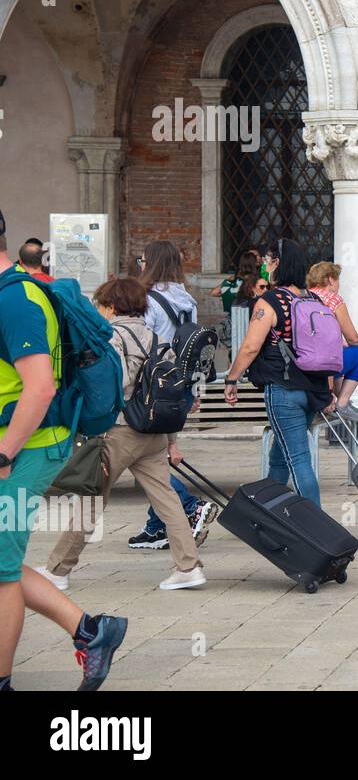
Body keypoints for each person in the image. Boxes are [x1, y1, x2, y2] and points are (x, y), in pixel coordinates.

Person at [0, 209, 128, 691]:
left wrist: (6, 454)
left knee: (0, 573)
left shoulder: (15, 302)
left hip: (25, 449)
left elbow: (39, 388)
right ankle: (93, 631)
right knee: (1, 562)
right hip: (19, 446)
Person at [39, 277, 206, 592]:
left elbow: (118, 384)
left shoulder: (113, 336)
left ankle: (58, 570)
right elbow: (168, 392)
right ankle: (188, 567)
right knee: (167, 500)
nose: (99, 311)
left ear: (112, 306)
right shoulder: (157, 337)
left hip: (120, 429)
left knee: (90, 499)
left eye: (101, 305)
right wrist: (172, 442)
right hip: (154, 431)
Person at [224, 238, 336, 507]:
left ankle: (317, 524)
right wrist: (329, 389)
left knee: (298, 458)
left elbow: (250, 347)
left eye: (267, 260)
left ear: (278, 264)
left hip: (283, 389)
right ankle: (268, 511)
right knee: (280, 455)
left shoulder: (269, 301)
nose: (263, 265)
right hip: (313, 388)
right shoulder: (314, 299)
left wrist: (232, 378)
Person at [129, 240, 217, 552]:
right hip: (178, 381)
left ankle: (190, 506)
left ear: (150, 263)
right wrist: (194, 389)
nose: (140, 265)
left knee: (142, 455)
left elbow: (142, 342)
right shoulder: (187, 299)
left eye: (142, 260)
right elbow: (192, 346)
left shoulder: (146, 300)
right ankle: (156, 526)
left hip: (151, 383)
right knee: (154, 451)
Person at [307, 262, 358, 424]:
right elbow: (353, 338)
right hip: (326, 363)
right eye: (338, 279)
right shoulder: (333, 300)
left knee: (339, 353)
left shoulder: (302, 296)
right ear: (330, 279)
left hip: (305, 362)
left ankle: (335, 398)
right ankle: (342, 402)